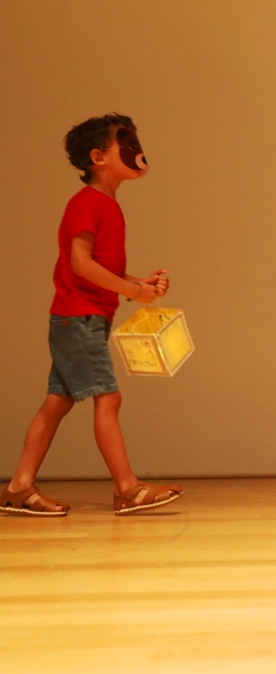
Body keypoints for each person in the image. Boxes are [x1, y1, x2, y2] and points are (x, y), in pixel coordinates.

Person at [2, 114, 182, 517]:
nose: (137, 151)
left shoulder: (105, 205)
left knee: (56, 403)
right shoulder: (88, 203)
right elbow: (80, 264)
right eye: (127, 145)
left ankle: (18, 488)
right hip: (79, 319)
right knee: (108, 397)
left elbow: (99, 269)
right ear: (98, 157)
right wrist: (133, 291)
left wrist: (138, 284)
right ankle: (127, 489)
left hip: (80, 318)